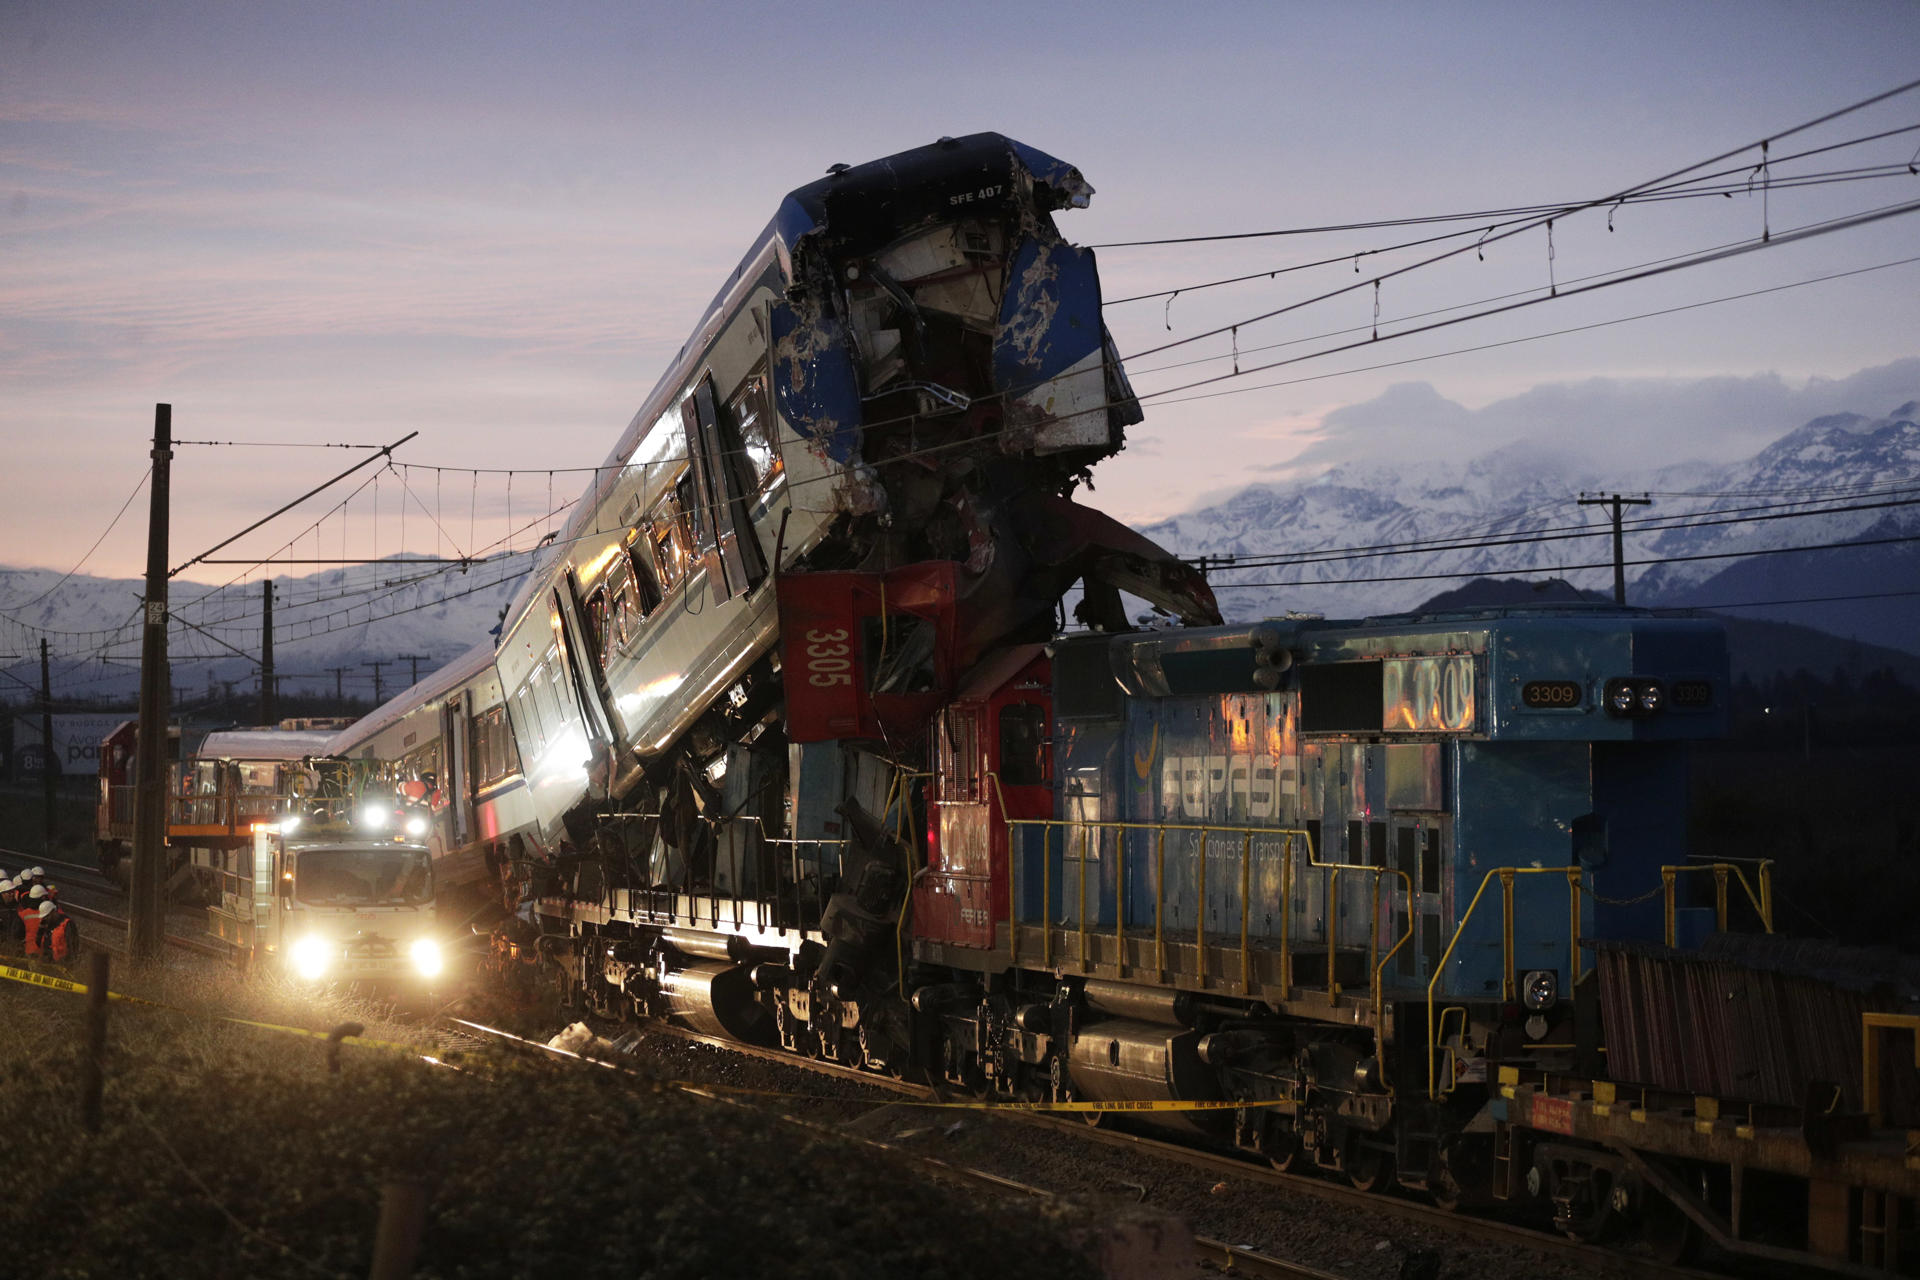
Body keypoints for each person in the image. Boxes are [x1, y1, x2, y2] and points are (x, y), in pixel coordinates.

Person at [38, 900, 78, 965]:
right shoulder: (46, 924)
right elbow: (40, 943)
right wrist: (40, 930)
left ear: (53, 912)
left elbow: (73, 945)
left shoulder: (67, 924)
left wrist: (69, 962)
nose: (46, 919)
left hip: (62, 963)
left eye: (47, 916)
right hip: (47, 962)